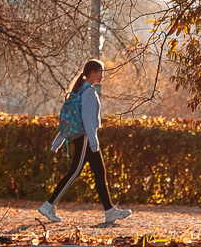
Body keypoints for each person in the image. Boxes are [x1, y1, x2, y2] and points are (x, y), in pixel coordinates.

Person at [40, 59, 132, 225]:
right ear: (92, 72)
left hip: (84, 138)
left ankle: (109, 211)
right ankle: (48, 205)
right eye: (100, 72)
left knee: (99, 172)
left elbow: (71, 118)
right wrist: (93, 143)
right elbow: (86, 119)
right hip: (85, 139)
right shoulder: (88, 91)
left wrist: (57, 142)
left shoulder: (80, 90)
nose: (102, 75)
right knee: (75, 172)